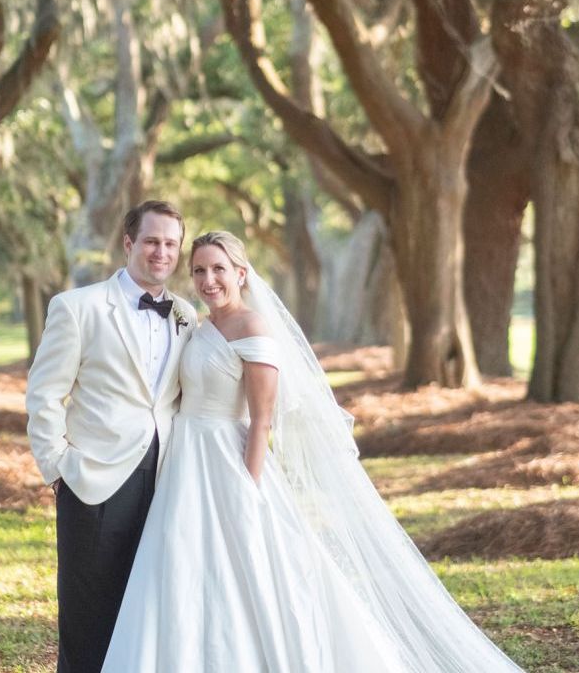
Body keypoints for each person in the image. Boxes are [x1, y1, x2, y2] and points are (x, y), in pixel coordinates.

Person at [102, 230, 525, 672]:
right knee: (180, 565)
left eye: (219, 269)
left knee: (244, 574)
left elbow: (262, 418)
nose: (209, 280)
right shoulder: (201, 325)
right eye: (200, 271)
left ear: (241, 273)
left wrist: (247, 485)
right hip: (185, 464)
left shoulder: (253, 327)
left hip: (228, 463)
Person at [25, 200, 198, 673]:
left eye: (170, 243)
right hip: (93, 480)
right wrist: (56, 466)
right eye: (151, 241)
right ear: (128, 244)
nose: (161, 252)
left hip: (165, 479)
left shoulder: (185, 315)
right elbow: (44, 394)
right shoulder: (77, 308)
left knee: (145, 610)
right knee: (88, 615)